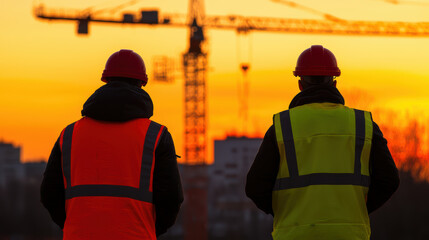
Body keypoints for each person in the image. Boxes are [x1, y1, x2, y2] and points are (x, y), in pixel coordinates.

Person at [245, 45, 399, 240]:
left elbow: (254, 186)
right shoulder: (363, 125)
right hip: (349, 234)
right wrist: (355, 210)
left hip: (295, 234)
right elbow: (390, 180)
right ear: (334, 84)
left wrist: (288, 213)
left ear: (300, 84)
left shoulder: (282, 127)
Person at [41, 49, 183, 239]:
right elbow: (171, 198)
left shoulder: (70, 134)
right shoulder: (156, 135)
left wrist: (76, 226)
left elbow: (49, 194)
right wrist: (146, 228)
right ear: (141, 84)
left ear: (106, 81)